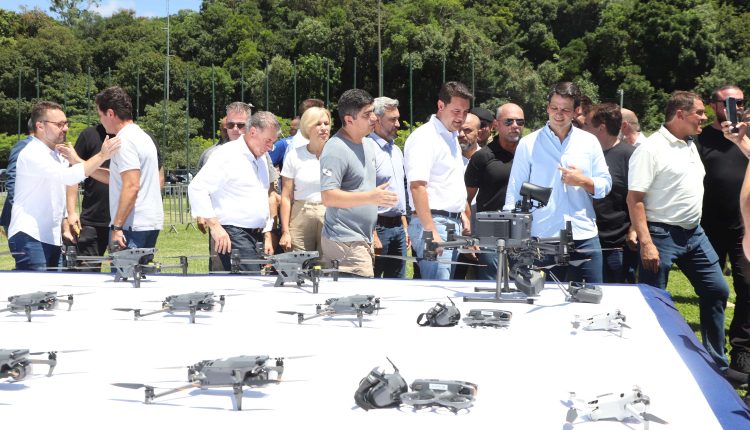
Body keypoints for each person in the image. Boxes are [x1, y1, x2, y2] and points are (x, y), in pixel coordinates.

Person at [627, 90, 729, 370]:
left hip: (694, 234)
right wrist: (646, 242)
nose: (704, 117)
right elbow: (634, 199)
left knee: (717, 290)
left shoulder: (690, 143)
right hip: (660, 235)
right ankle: (651, 365)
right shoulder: (650, 149)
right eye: (699, 112)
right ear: (680, 114)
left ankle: (716, 364)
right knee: (654, 302)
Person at [504, 82, 611, 283]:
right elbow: (514, 191)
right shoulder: (528, 144)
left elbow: (605, 184)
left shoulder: (589, 142)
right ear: (547, 108)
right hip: (542, 238)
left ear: (576, 111)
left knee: (592, 295)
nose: (558, 114)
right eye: (554, 108)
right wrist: (514, 239)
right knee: (540, 297)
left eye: (565, 110)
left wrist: (583, 181)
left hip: (583, 235)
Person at [8, 101, 120, 270]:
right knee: (36, 286)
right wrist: (102, 155)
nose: (65, 128)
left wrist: (67, 218)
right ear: (40, 126)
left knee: (55, 286)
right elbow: (68, 176)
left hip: (52, 237)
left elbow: (59, 192)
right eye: (59, 124)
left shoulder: (57, 154)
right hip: (30, 235)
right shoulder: (32, 152)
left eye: (66, 123)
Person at [700, 85, 750, 384]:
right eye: (729, 102)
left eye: (740, 102)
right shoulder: (701, 139)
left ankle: (741, 351)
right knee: (713, 291)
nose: (736, 106)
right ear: (714, 105)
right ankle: (712, 352)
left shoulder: (747, 137)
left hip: (744, 228)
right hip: (710, 226)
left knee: (747, 287)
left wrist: (743, 138)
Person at [319, 89, 398, 277]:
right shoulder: (335, 149)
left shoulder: (367, 144)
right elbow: (328, 197)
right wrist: (371, 197)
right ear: (349, 120)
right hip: (345, 241)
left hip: (362, 240)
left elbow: (361, 189)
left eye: (373, 112)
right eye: (366, 114)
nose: (374, 118)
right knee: (359, 294)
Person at [188, 111, 280, 272]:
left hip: (256, 235)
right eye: (268, 140)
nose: (271, 147)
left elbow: (263, 197)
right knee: (250, 282)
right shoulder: (227, 155)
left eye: (273, 142)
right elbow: (197, 188)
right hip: (234, 234)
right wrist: (215, 227)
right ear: (253, 132)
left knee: (255, 282)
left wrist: (267, 234)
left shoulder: (262, 158)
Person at [404, 81, 472, 280]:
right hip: (433, 223)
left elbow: (447, 181)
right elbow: (417, 186)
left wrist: (461, 213)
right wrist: (430, 229)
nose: (461, 118)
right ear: (441, 106)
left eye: (465, 112)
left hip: (451, 223)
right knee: (436, 290)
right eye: (456, 111)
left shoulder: (451, 137)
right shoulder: (425, 137)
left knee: (445, 287)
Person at [96, 86, 163, 250]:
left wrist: (117, 226)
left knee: (124, 267)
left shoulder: (124, 141)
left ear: (110, 113)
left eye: (100, 115)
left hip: (130, 225)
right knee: (141, 267)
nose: (100, 121)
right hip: (148, 222)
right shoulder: (143, 137)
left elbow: (131, 185)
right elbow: (117, 178)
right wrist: (80, 164)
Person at [464, 103, 524, 280]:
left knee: (523, 282)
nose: (515, 126)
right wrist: (469, 237)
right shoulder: (482, 157)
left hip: (523, 229)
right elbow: (466, 199)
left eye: (520, 122)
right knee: (490, 284)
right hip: (490, 230)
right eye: (509, 121)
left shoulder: (530, 154)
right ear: (496, 124)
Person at [583, 103, 637, 283]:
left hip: (616, 247)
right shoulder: (584, 155)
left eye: (586, 125)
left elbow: (641, 198)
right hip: (584, 241)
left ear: (601, 128)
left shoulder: (630, 156)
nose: (582, 129)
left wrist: (634, 229)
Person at [278, 107, 331, 252]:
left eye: (326, 123)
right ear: (307, 127)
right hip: (300, 215)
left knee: (327, 263)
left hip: (330, 215)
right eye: (318, 124)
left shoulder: (338, 155)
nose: (324, 128)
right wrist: (285, 231)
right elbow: (286, 196)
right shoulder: (294, 156)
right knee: (299, 263)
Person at [369, 96, 409, 279]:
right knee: (373, 281)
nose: (398, 124)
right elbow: (364, 193)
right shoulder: (367, 149)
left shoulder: (396, 150)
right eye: (392, 120)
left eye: (397, 119)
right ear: (377, 120)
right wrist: (373, 233)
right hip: (378, 227)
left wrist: (405, 227)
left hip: (398, 227)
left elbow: (400, 190)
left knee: (399, 285)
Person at [0, 119, 34, 237]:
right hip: (22, 219)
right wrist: (22, 212)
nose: (64, 128)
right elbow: (12, 179)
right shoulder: (24, 145)